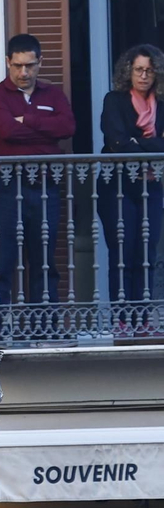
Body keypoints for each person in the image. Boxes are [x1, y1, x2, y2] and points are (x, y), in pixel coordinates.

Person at [0, 34, 76, 307]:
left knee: (44, 260)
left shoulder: (53, 95)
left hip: (45, 186)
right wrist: (45, 133)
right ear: (8, 62)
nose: (24, 72)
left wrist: (29, 119)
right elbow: (6, 131)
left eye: (31, 65)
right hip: (6, 187)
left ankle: (45, 328)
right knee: (2, 259)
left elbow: (68, 128)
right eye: (18, 66)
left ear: (40, 63)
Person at [96, 45, 164, 310]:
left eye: (149, 70)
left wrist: (134, 142)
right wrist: (153, 145)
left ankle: (143, 319)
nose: (144, 75)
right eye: (138, 69)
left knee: (146, 255)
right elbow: (116, 141)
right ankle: (122, 319)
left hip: (151, 186)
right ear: (129, 71)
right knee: (122, 254)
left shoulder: (161, 105)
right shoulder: (114, 100)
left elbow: (128, 143)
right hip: (117, 187)